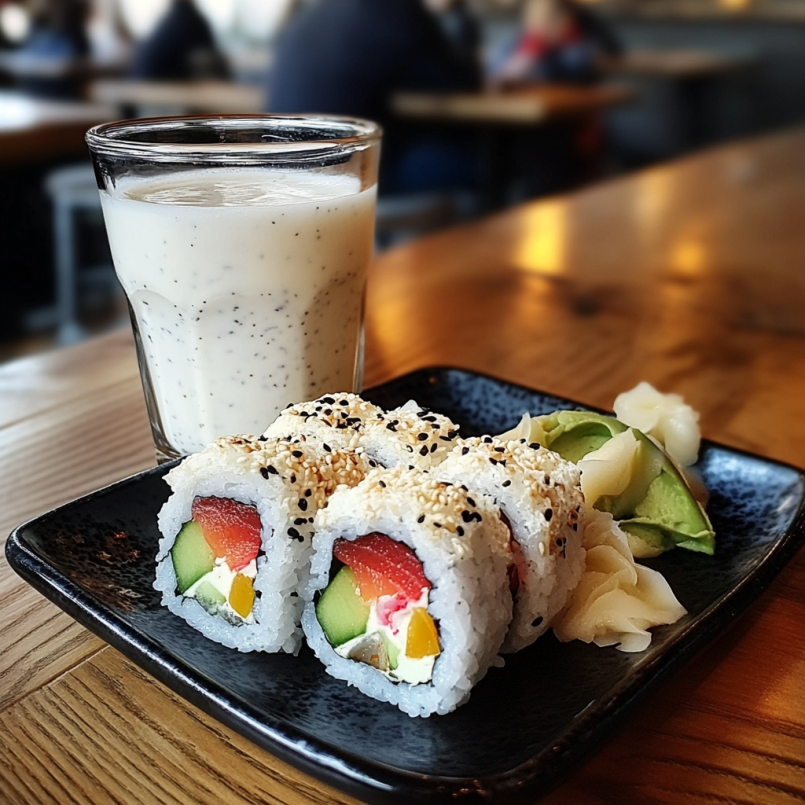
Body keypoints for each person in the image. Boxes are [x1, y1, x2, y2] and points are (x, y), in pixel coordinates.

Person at [267, 0, 483, 194]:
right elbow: (458, 81)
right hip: (347, 176)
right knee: (485, 163)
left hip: (281, 173)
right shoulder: (400, 11)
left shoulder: (318, 12)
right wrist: (458, 14)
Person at [491, 0, 621, 86]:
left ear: (565, 21)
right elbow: (495, 69)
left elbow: (576, 69)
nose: (538, 27)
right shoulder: (520, 42)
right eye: (533, 18)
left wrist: (538, 55)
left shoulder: (576, 48)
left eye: (546, 19)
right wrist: (523, 57)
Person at [129, 0, 227, 81]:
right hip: (159, 85)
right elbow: (211, 57)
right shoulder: (191, 19)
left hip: (141, 79)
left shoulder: (168, 19)